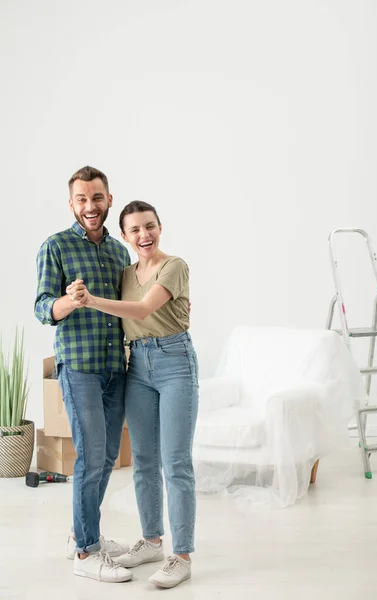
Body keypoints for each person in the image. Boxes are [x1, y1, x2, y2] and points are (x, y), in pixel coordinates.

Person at [67, 200, 199, 589]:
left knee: (175, 463)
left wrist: (89, 298)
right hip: (136, 365)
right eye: (136, 230)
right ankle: (153, 541)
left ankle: (182, 556)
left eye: (150, 226)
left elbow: (142, 310)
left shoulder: (174, 266)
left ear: (161, 227)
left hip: (175, 360)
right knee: (143, 460)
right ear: (124, 236)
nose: (145, 235)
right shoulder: (125, 272)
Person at [34, 166, 133, 583]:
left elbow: (131, 307)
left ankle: (83, 530)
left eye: (97, 198)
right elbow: (42, 308)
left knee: (107, 458)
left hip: (116, 367)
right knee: (91, 458)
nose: (90, 207)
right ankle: (85, 552)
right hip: (79, 368)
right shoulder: (54, 247)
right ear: (71, 204)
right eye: (82, 200)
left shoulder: (120, 252)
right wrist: (68, 302)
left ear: (109, 200)